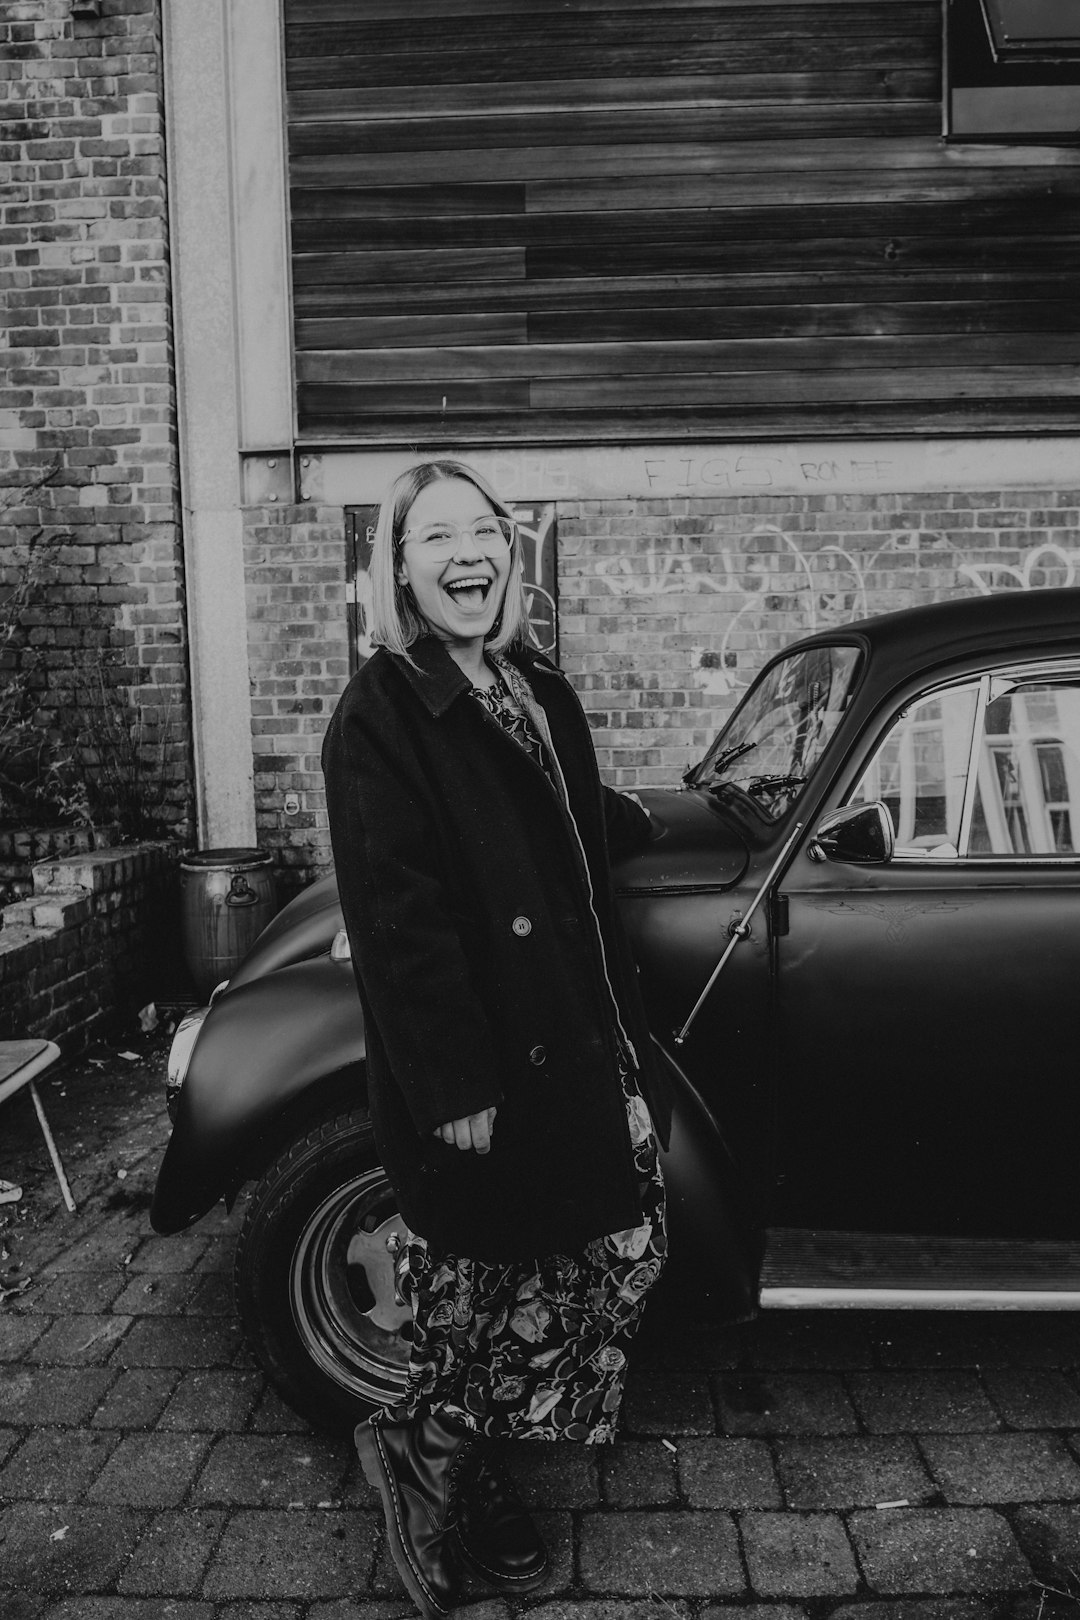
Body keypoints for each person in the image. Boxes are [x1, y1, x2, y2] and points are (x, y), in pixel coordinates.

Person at [321, 459, 670, 1620]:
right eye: (439, 538)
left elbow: (567, 821)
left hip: (580, 1030)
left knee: (615, 1251)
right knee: (488, 1281)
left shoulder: (529, 684)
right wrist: (451, 1080)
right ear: (402, 567)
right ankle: (442, 1464)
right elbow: (396, 921)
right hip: (489, 1060)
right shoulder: (380, 715)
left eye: (485, 532)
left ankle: (435, 1444)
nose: (469, 554)